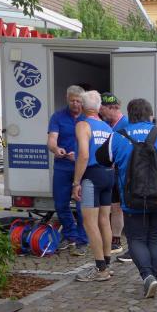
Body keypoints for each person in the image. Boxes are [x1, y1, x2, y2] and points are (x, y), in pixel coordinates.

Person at [95, 99, 157, 298]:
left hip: (131, 199)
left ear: (130, 115)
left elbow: (101, 158)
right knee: (155, 237)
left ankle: (148, 276)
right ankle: (154, 277)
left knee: (136, 238)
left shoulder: (118, 136)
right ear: (150, 115)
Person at [71, 91, 114, 281]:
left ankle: (100, 269)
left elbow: (84, 154)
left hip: (91, 176)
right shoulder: (107, 127)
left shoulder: (83, 125)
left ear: (82, 106)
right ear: (98, 107)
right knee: (104, 220)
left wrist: (76, 182)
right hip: (108, 174)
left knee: (89, 222)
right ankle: (107, 263)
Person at [47, 85, 88, 255]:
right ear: (67, 99)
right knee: (60, 204)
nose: (75, 104)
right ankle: (71, 235)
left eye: (78, 101)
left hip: (83, 167)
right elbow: (51, 140)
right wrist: (56, 149)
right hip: (62, 166)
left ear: (83, 101)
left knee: (82, 206)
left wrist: (78, 156)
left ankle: (82, 240)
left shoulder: (88, 118)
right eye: (72, 101)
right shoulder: (57, 117)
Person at [99, 92, 128, 256]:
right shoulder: (105, 124)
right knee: (115, 207)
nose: (100, 113)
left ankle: (128, 241)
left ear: (112, 108)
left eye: (102, 110)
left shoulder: (126, 124)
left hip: (124, 173)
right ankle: (115, 240)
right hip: (110, 173)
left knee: (124, 208)